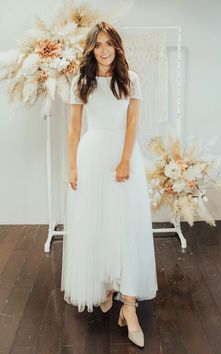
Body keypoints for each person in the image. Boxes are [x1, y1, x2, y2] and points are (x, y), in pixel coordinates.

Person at [61, 21, 158, 348]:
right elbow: (74, 129)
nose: (104, 49)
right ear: (91, 49)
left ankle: (128, 305)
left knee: (127, 225)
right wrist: (73, 165)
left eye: (109, 44)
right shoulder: (80, 82)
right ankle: (106, 285)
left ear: (117, 47)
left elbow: (133, 122)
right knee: (99, 223)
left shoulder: (130, 80)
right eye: (98, 44)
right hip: (91, 157)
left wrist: (125, 160)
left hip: (122, 157)